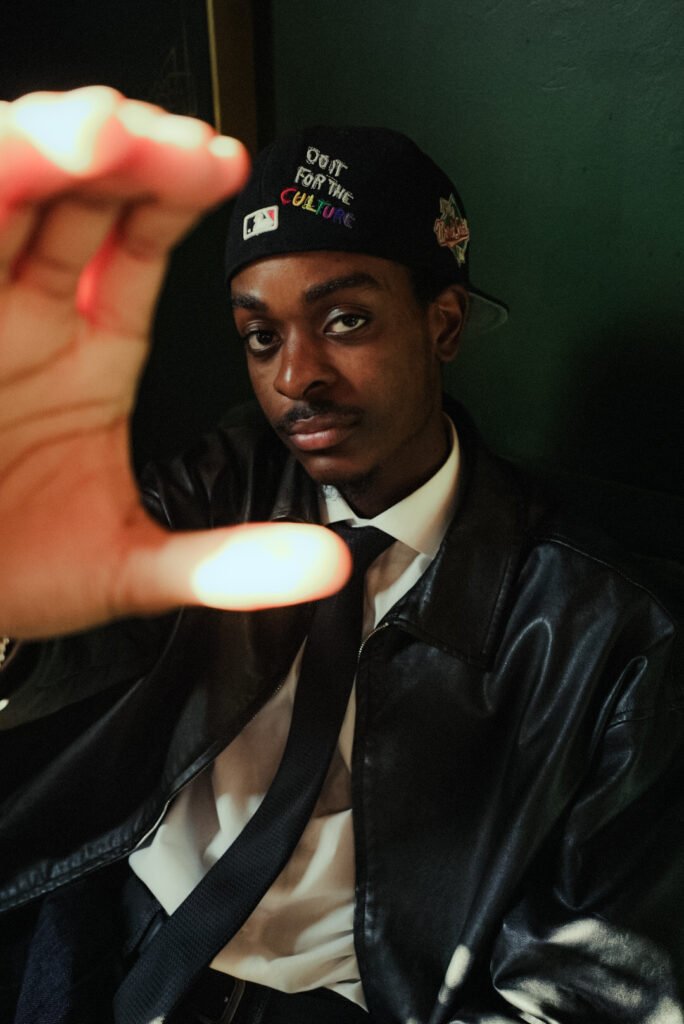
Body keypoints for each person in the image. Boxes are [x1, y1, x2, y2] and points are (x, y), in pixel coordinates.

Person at [0, 88, 682, 1024]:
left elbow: (595, 986)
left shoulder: (602, 634)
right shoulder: (218, 488)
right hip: (119, 930)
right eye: (261, 336)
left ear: (444, 324)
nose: (295, 376)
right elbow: (62, 658)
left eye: (346, 320)